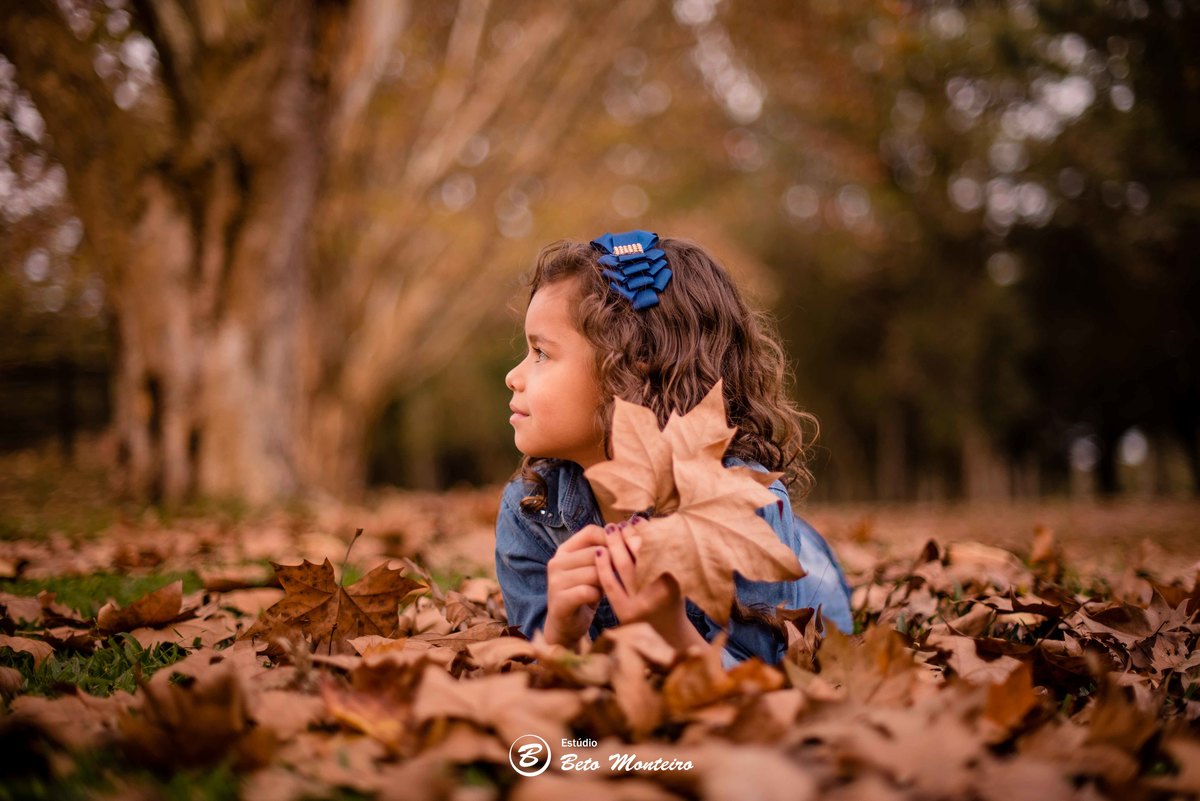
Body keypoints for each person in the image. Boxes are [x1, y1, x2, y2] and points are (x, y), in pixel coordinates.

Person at [494, 230, 852, 668]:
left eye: (541, 353)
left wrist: (671, 631)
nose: (515, 375)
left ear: (630, 363)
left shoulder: (743, 507)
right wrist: (560, 637)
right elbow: (539, 674)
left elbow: (761, 682)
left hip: (811, 584)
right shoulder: (531, 510)